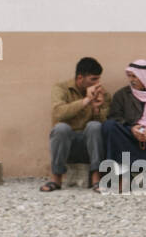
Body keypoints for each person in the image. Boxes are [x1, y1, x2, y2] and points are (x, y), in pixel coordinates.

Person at [44, 57, 109, 191]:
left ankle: (97, 179)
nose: (97, 83)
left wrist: (97, 108)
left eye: (98, 79)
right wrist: (86, 101)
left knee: (95, 126)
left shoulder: (103, 94)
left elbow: (106, 127)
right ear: (80, 78)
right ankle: (56, 180)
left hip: (90, 146)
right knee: (61, 128)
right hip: (65, 145)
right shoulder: (61, 88)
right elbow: (59, 113)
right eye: (93, 79)